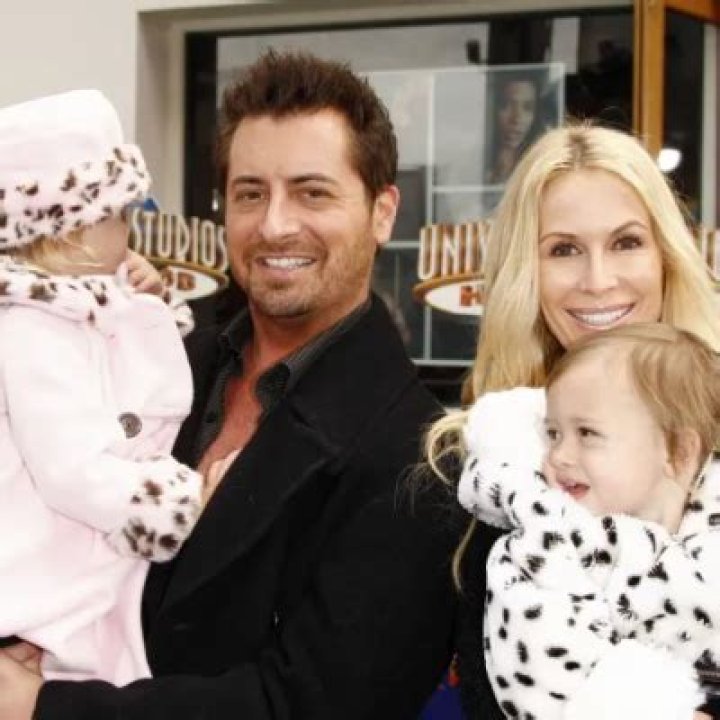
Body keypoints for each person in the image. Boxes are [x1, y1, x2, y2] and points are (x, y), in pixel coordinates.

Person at [0, 51, 459, 720]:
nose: (274, 225)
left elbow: (312, 706)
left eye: (312, 192)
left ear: (382, 211)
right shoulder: (164, 353)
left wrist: (44, 706)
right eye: (250, 193)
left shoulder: (420, 462)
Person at [425, 122, 720, 720]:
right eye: (563, 249)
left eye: (627, 242)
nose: (599, 280)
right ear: (526, 272)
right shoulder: (492, 466)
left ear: (666, 254)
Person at [0, 89, 204, 684]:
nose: (130, 233)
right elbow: (72, 468)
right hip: (48, 583)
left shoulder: (67, 309)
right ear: (68, 230)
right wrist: (177, 503)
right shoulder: (34, 329)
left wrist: (145, 302)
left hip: (74, 565)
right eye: (120, 216)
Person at [458, 323, 720, 719]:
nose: (558, 456)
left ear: (678, 451)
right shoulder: (549, 540)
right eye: (553, 433)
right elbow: (541, 674)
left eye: (587, 433)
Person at [484, 72, 544, 185]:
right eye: (506, 105)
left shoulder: (542, 161)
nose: (517, 119)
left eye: (527, 107)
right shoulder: (475, 161)